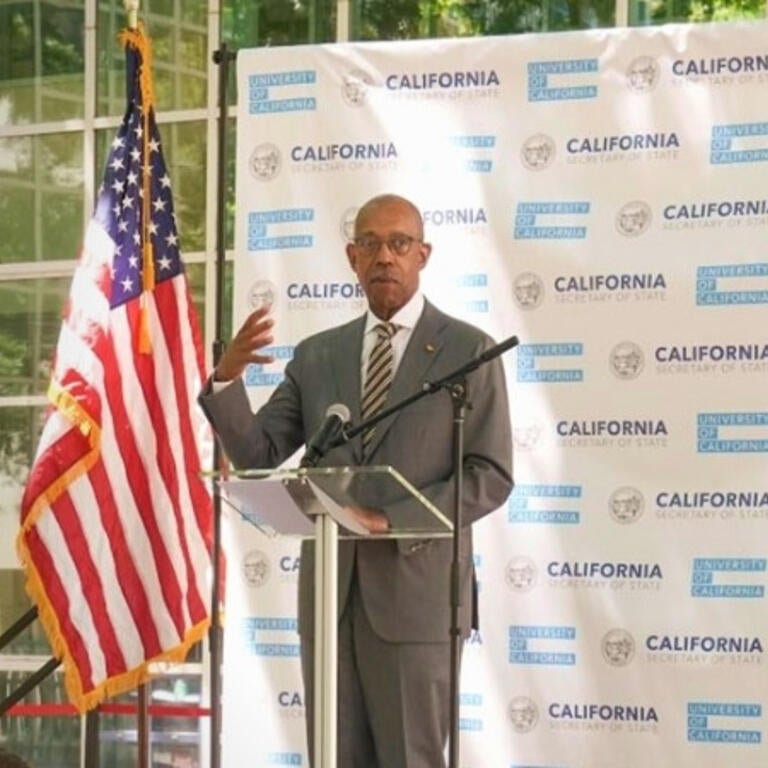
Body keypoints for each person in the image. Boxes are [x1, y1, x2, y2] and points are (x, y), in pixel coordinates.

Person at [199, 193, 513, 768]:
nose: (384, 256)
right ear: (352, 257)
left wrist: (391, 519)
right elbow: (259, 454)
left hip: (416, 600)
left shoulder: (468, 351)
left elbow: (490, 475)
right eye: (370, 244)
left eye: (399, 244)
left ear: (422, 255)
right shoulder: (319, 355)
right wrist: (226, 377)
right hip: (330, 599)